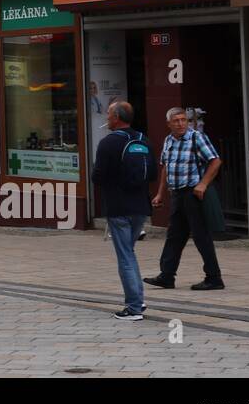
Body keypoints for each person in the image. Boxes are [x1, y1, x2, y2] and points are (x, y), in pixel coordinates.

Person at [146, 108, 225, 292]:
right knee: (174, 236)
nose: (181, 124)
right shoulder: (168, 140)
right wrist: (160, 193)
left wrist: (203, 184)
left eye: (184, 120)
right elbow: (166, 167)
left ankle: (214, 278)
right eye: (177, 121)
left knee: (201, 236)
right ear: (169, 124)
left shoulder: (196, 138)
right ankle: (166, 276)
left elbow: (215, 161)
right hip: (177, 194)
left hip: (193, 194)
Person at [91, 101, 154, 321]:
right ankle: (138, 298)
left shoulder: (108, 143)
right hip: (140, 208)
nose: (107, 118)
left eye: (109, 114)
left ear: (117, 118)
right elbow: (152, 173)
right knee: (130, 253)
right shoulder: (143, 139)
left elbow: (97, 177)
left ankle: (134, 307)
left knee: (125, 256)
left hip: (118, 207)